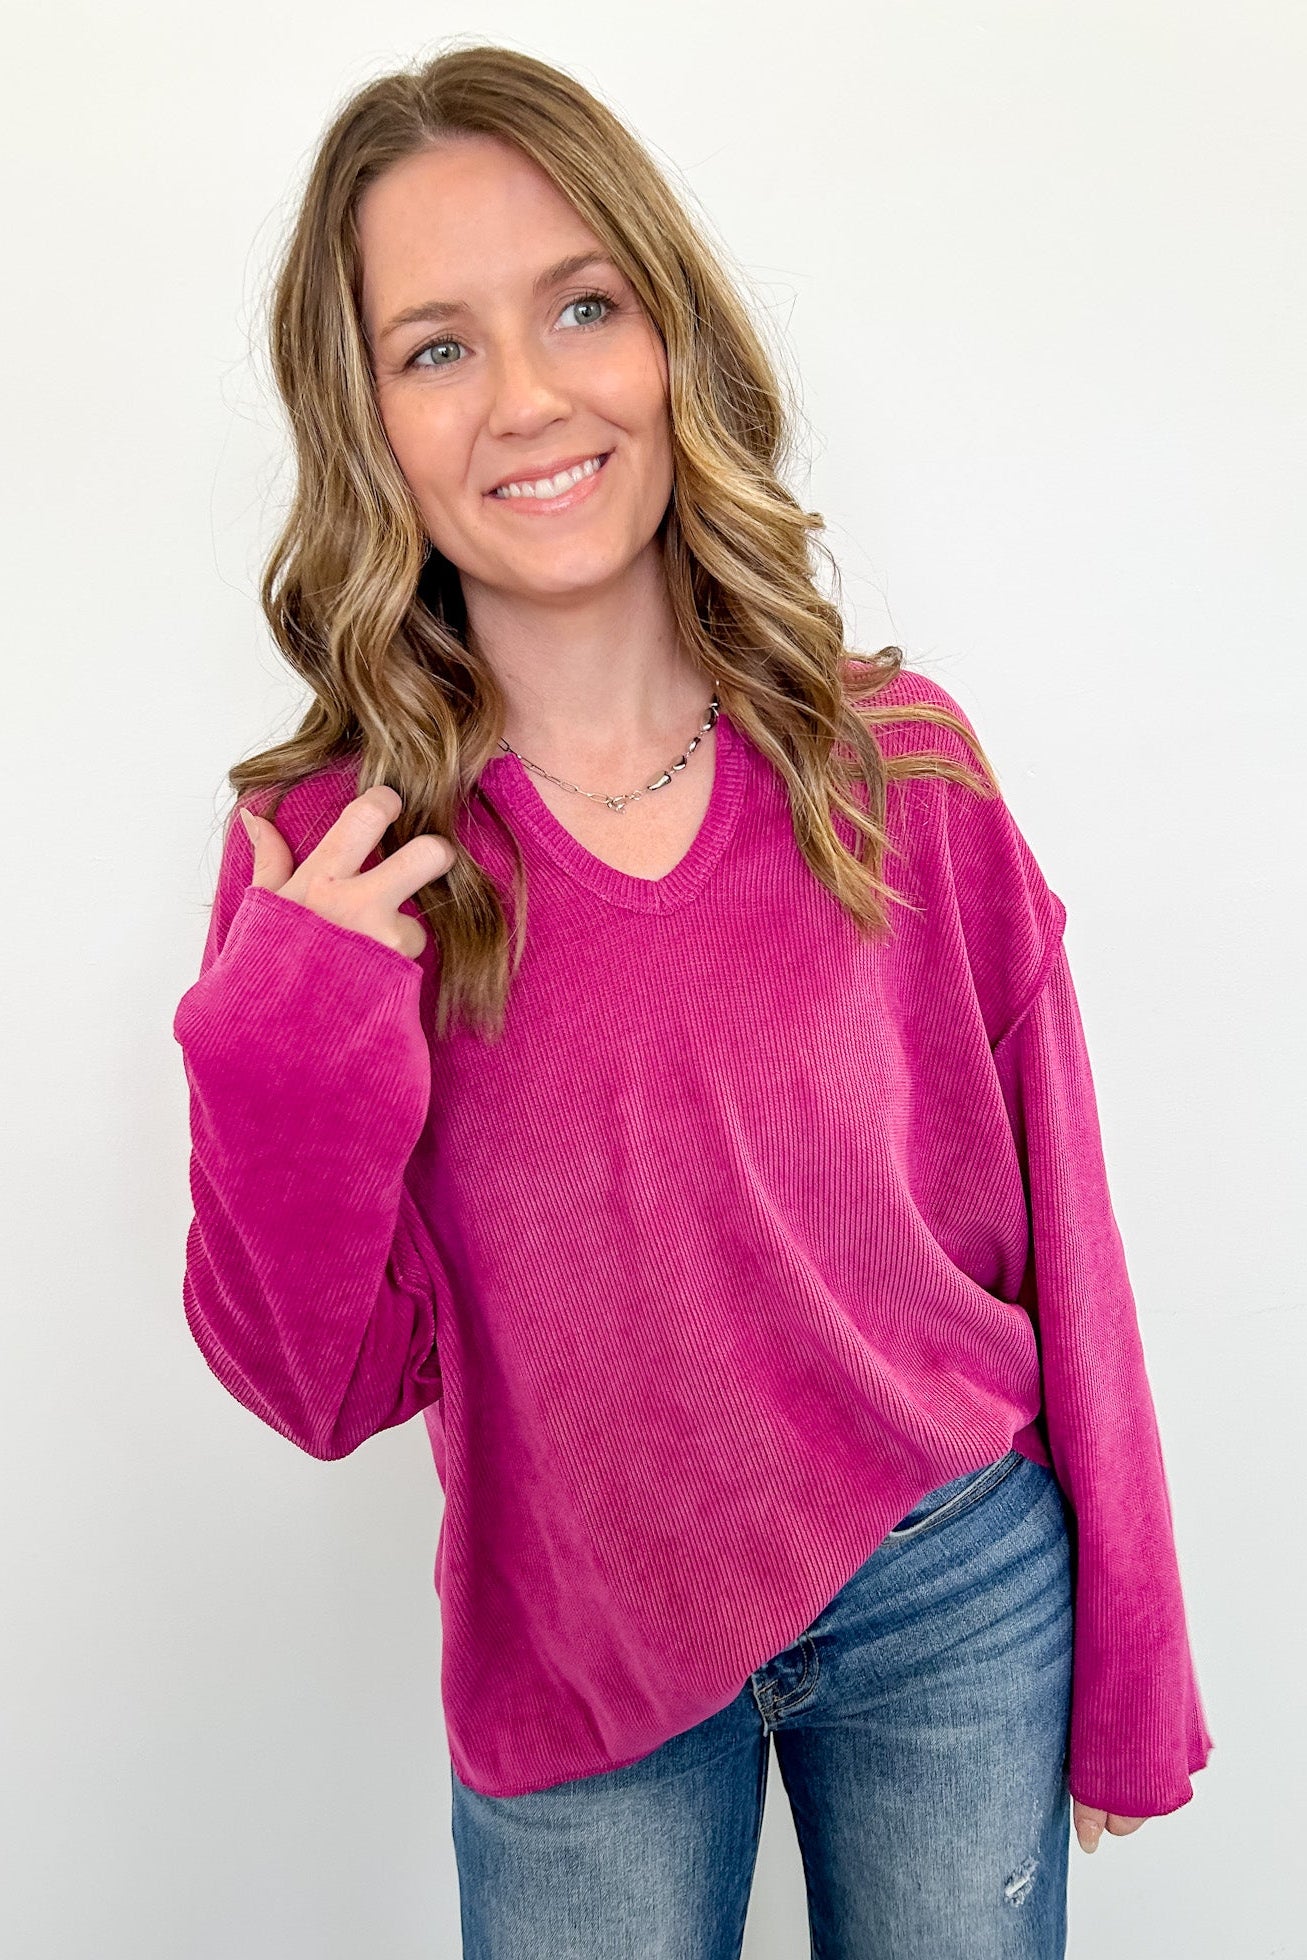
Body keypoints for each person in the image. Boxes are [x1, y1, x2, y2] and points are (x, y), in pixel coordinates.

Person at [172, 42, 1213, 1960]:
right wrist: (289, 1030)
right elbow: (322, 1391)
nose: (529, 395)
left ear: (670, 339)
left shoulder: (895, 763)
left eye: (581, 305)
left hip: (953, 1590)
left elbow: (1067, 1229)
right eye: (436, 347)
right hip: (576, 1657)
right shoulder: (334, 859)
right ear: (366, 420)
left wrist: (1138, 1674)